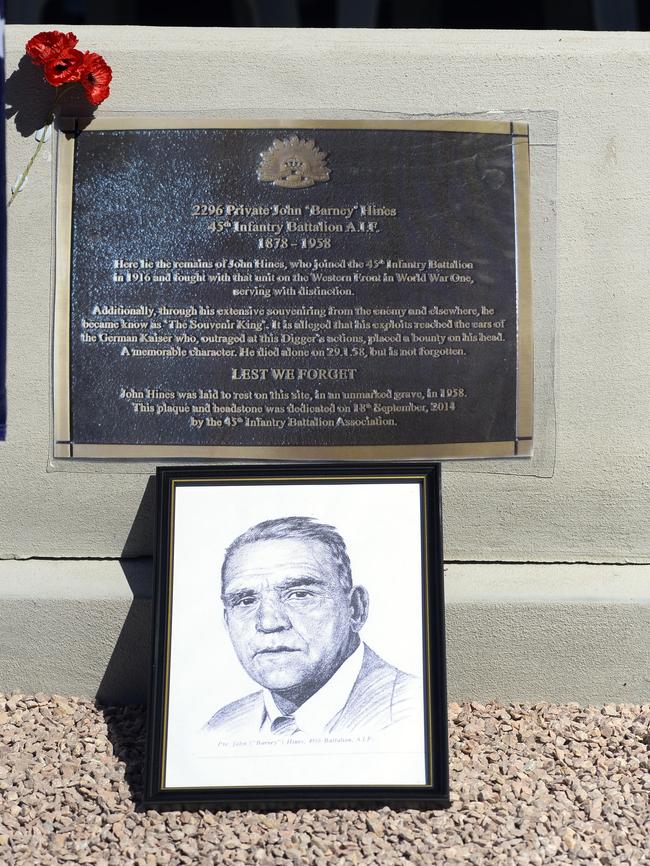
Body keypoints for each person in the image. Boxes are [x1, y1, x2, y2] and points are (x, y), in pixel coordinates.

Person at [204, 516, 420, 738]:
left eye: (299, 595)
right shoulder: (219, 728)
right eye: (245, 601)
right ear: (227, 620)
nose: (269, 623)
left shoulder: (414, 713)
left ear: (355, 609)